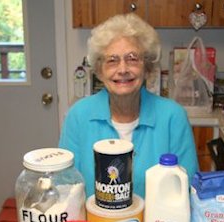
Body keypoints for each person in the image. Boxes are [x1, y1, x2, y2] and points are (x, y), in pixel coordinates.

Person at [59, 13, 198, 199]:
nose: (123, 69)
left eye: (132, 58)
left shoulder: (172, 117)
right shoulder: (79, 116)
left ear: (147, 66)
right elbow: (66, 190)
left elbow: (188, 190)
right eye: (112, 60)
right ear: (99, 70)